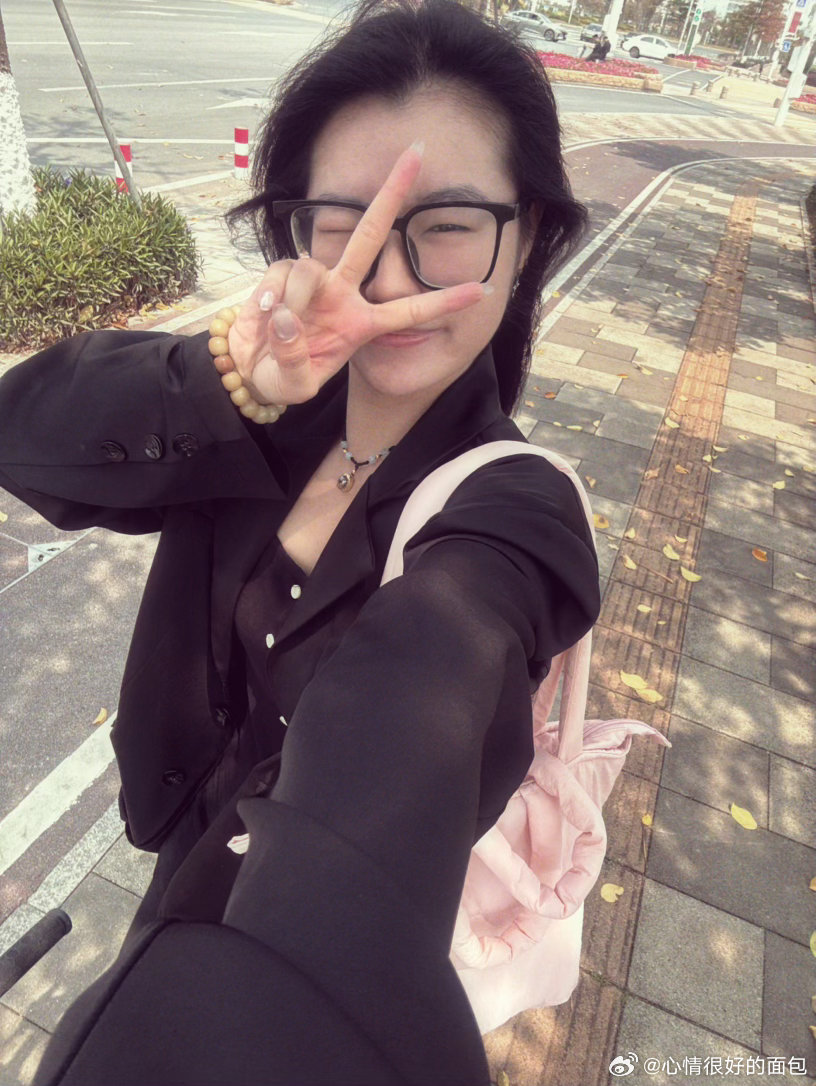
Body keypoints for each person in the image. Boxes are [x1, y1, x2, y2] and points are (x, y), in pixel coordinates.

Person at [0, 0, 600, 1081]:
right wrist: (234, 377)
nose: (390, 278)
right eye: (344, 221)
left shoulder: (514, 518)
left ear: (530, 237)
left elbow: (418, 696)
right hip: (180, 852)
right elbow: (22, 432)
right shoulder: (264, 423)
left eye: (448, 223)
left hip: (280, 944)